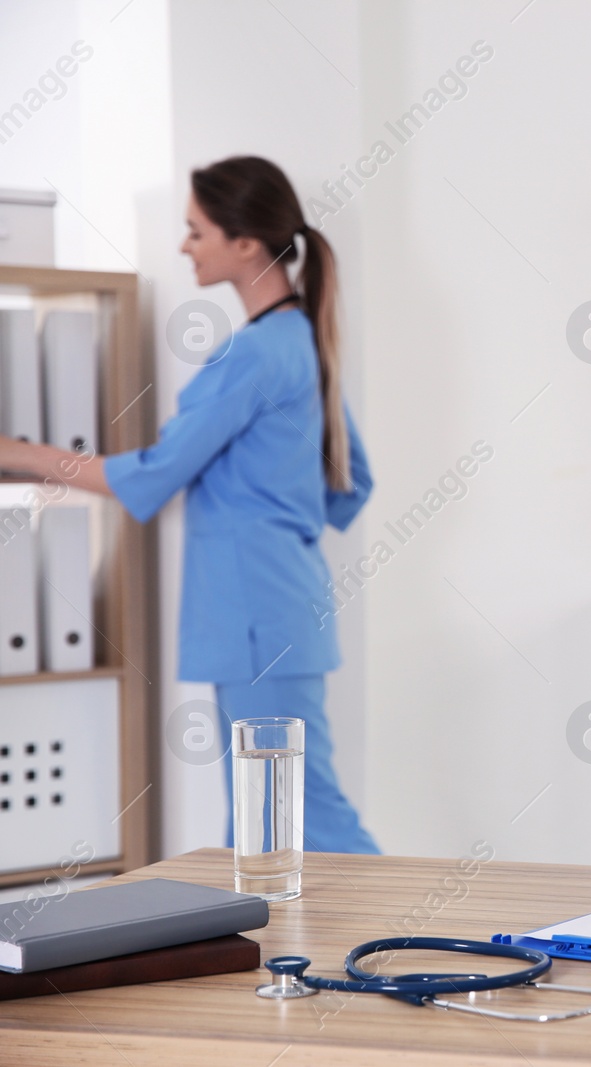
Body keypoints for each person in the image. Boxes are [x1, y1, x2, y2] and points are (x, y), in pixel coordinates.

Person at [0, 156, 380, 854]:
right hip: (281, 609)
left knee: (296, 815)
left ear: (245, 242)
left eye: (195, 231)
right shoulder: (305, 341)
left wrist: (21, 454)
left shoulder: (255, 355)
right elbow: (352, 485)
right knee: (265, 821)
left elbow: (152, 473)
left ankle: (419, 936)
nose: (183, 246)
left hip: (255, 621)